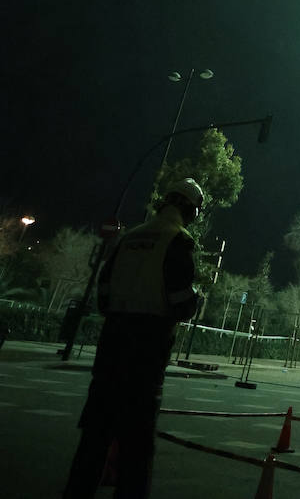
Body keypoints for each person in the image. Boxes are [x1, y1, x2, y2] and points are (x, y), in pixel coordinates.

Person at [61, 177, 204, 499]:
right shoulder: (177, 240)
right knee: (136, 448)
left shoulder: (130, 237)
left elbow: (104, 291)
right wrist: (197, 300)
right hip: (147, 351)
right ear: (189, 208)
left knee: (94, 439)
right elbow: (181, 301)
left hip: (111, 346)